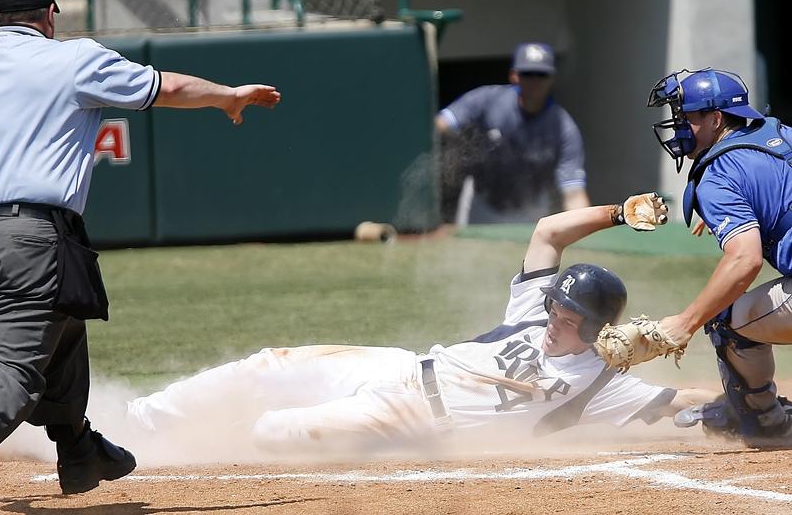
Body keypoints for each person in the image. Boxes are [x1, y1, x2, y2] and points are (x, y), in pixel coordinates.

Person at [0, 0, 280, 515]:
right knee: (12, 379)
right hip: (29, 240)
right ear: (51, 14)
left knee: (65, 318)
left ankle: (79, 449)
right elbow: (165, 86)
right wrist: (228, 96)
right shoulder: (73, 58)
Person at [119, 194, 716, 459]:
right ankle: (135, 424)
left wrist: (758, 401)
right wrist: (620, 212)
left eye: (568, 319)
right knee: (265, 366)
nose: (553, 322)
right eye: (555, 310)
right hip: (399, 366)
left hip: (414, 419)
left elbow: (683, 400)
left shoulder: (602, 384)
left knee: (274, 432)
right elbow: (547, 232)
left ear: (596, 328)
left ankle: (192, 443)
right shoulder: (534, 314)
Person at [644, 68, 792, 447]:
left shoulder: (718, 175)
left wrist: (687, 322)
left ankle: (764, 419)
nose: (678, 126)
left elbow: (745, 261)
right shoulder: (783, 135)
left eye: (687, 117)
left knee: (724, 316)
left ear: (716, 119)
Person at [435, 42, 590, 225]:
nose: (535, 81)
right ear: (514, 76)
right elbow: (441, 124)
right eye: (528, 74)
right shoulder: (487, 99)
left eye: (542, 75)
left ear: (552, 79)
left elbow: (573, 192)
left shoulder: (564, 127)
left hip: (531, 212)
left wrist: (586, 232)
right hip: (482, 205)